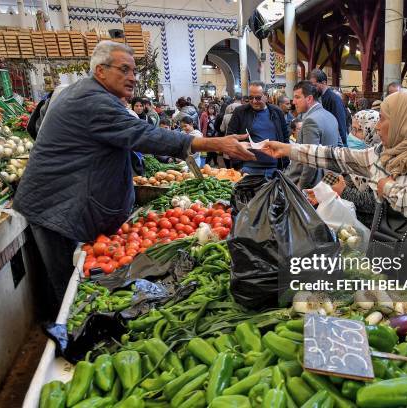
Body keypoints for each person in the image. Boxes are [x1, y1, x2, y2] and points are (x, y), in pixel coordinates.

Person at [13, 41, 254, 316]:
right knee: (68, 290)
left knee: (72, 283)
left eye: (134, 71)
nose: (132, 77)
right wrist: (214, 144)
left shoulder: (92, 95)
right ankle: (67, 336)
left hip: (61, 203)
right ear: (101, 71)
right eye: (124, 69)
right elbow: (147, 135)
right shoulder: (94, 101)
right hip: (57, 209)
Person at [262, 90, 407, 296]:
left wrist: (387, 188)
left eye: (383, 119)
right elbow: (338, 156)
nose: (378, 127)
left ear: (403, 120)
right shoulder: (386, 153)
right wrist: (289, 150)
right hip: (399, 255)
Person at [285, 81, 341, 189]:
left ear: (309, 98)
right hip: (328, 181)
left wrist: (301, 186)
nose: (294, 102)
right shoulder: (331, 116)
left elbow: (310, 161)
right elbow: (339, 147)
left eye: (297, 97)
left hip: (313, 184)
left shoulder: (310, 120)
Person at [227, 81, 290, 177]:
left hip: (274, 169)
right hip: (248, 168)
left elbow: (285, 138)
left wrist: (284, 162)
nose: (254, 101)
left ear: (266, 96)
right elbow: (230, 139)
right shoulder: (240, 112)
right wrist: (238, 165)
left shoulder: (277, 112)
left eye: (258, 98)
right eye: (251, 98)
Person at [333, 109, 381, 227]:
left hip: (370, 227)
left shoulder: (380, 160)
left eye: (359, 130)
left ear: (373, 132)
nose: (352, 135)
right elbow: (348, 180)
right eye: (352, 129)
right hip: (352, 221)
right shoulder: (355, 156)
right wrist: (324, 192)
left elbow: (374, 202)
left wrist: (344, 191)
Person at [309, 69, 348, 145]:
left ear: (324, 83)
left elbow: (340, 125)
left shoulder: (334, 99)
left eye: (314, 86)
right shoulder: (322, 97)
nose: (312, 89)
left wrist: (342, 147)